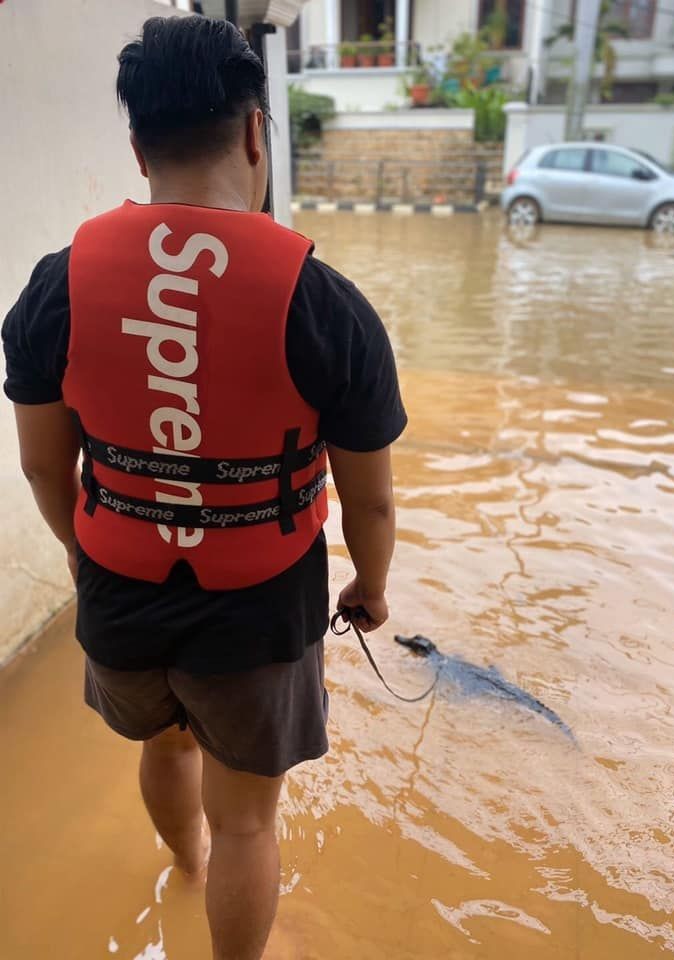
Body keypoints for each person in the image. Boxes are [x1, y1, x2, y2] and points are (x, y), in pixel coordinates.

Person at [1, 15, 406, 960]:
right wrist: (370, 587)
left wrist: (87, 550)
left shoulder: (57, 288)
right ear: (258, 134)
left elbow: (37, 463)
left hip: (119, 598)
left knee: (165, 745)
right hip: (258, 607)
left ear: (138, 147)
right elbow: (373, 503)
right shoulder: (326, 306)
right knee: (251, 825)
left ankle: (180, 873)